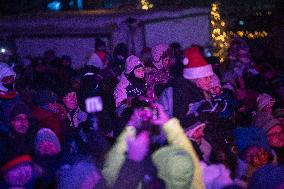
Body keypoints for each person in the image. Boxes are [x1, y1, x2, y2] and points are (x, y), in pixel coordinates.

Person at [103, 103, 205, 189]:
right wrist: (169, 124)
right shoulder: (194, 184)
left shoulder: (140, 180)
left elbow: (110, 176)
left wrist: (133, 159)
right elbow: (191, 161)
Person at [159, 46, 223, 128]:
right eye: (206, 78)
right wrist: (201, 114)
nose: (210, 81)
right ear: (195, 78)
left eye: (210, 77)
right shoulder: (182, 90)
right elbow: (179, 122)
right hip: (164, 131)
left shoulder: (198, 90)